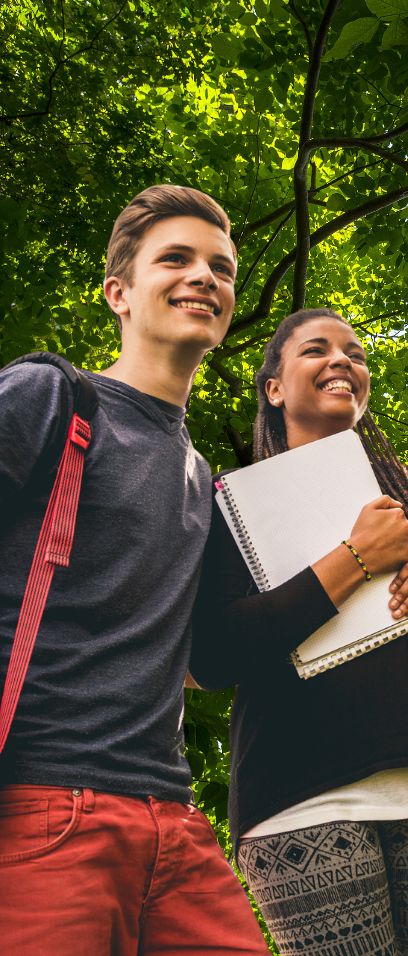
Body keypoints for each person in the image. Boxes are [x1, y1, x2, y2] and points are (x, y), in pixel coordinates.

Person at [0, 186, 268, 954]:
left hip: (175, 825)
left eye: (221, 268)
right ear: (119, 292)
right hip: (47, 805)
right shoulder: (53, 395)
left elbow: (211, 660)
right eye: (176, 259)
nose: (204, 278)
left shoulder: (199, 472)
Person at [189, 307, 408, 956]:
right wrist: (353, 560)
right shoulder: (230, 502)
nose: (342, 360)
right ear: (273, 388)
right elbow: (210, 657)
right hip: (299, 792)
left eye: (354, 351)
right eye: (315, 350)